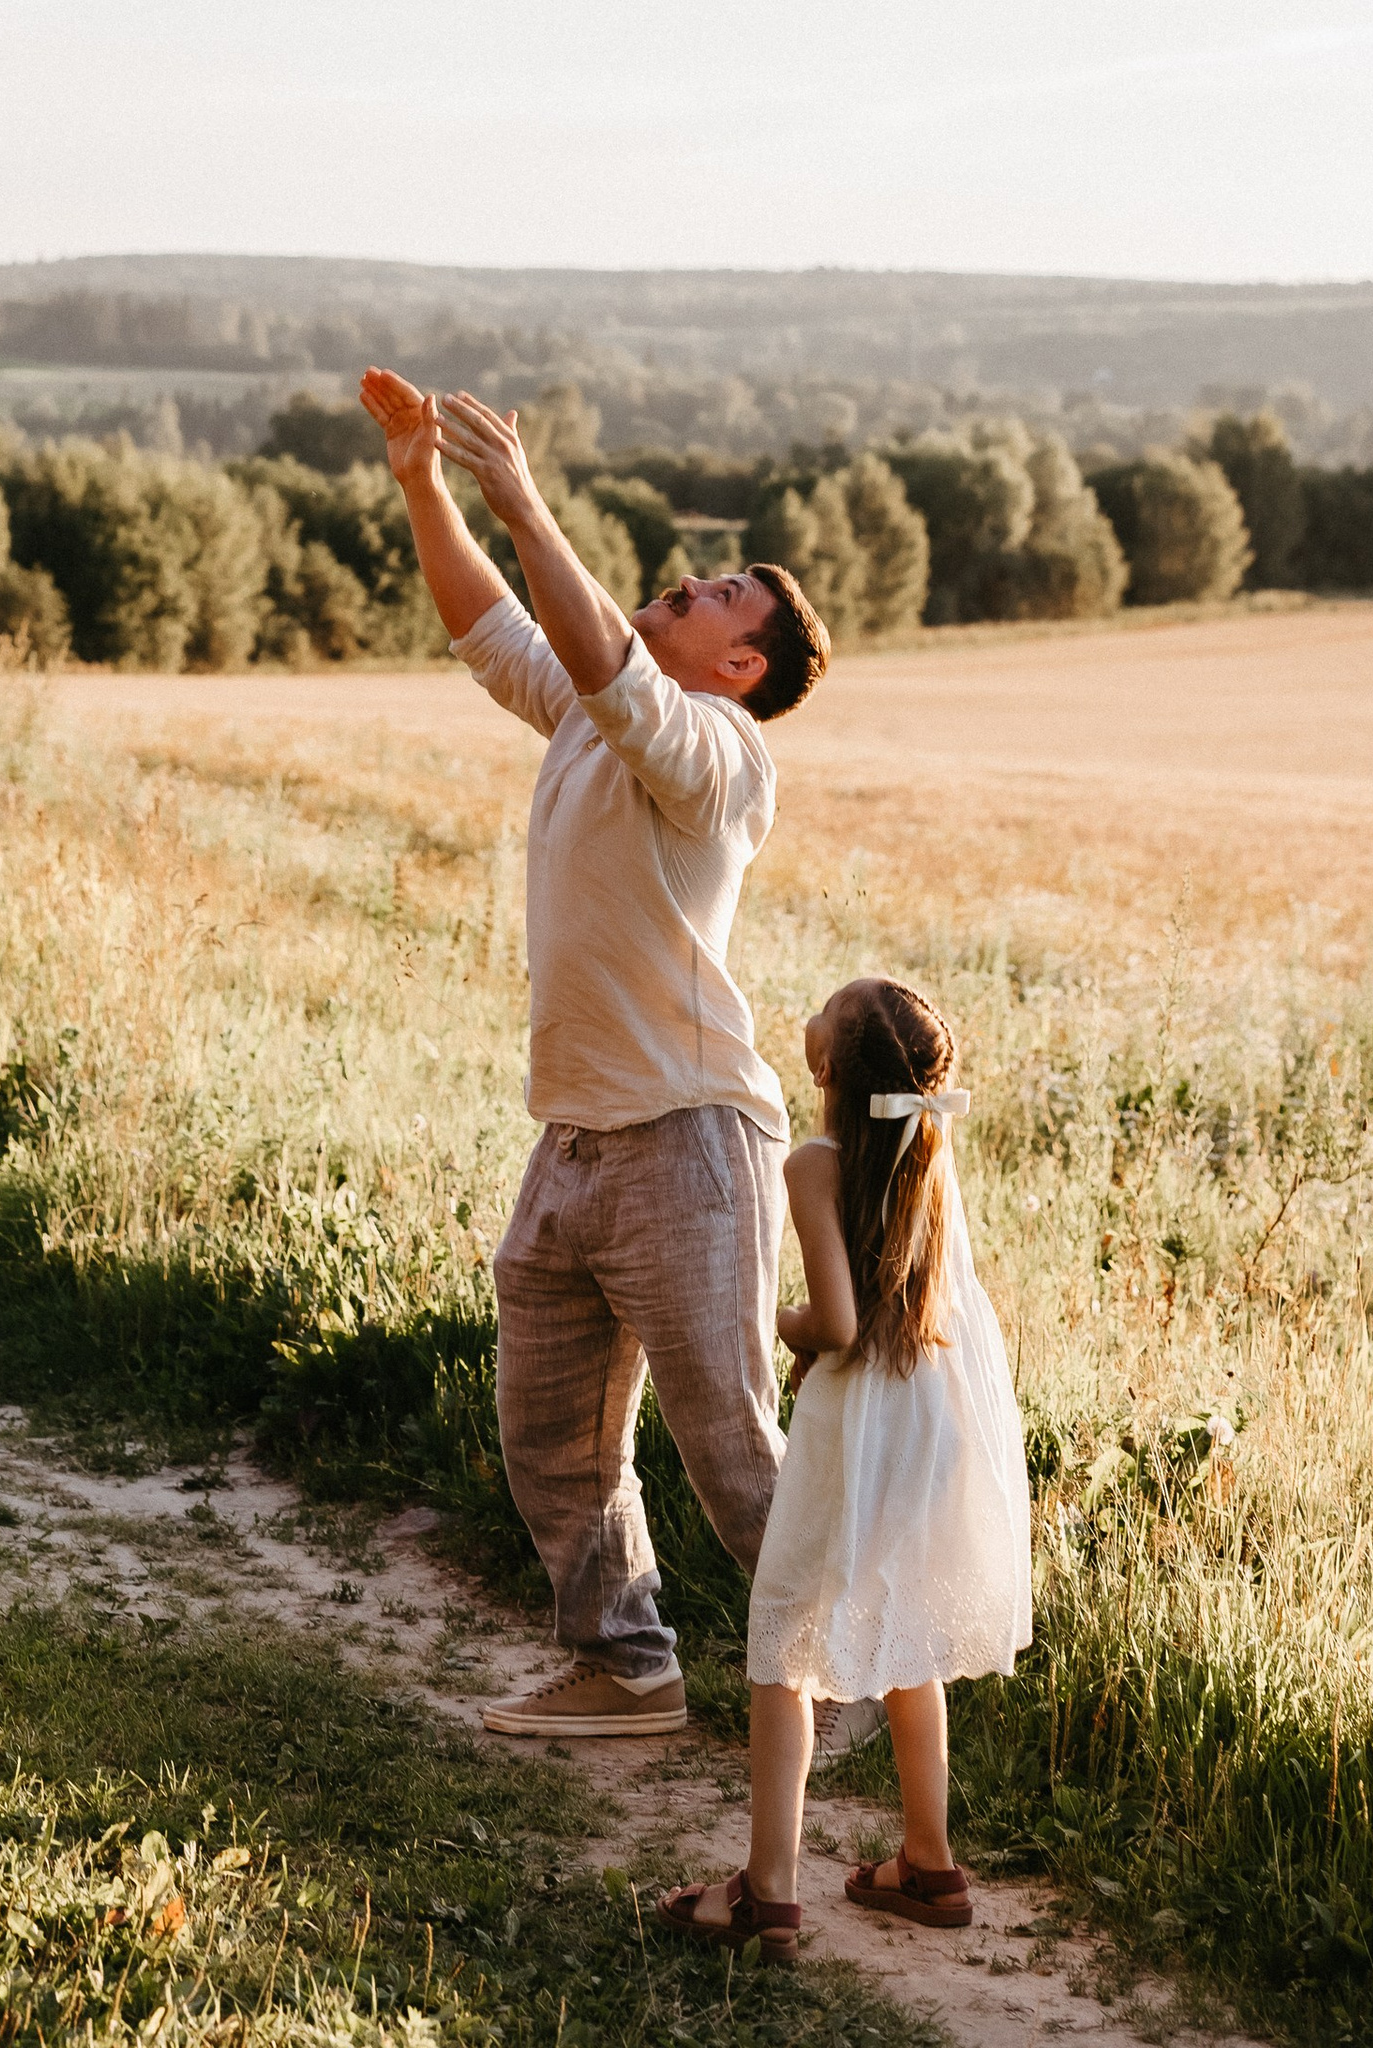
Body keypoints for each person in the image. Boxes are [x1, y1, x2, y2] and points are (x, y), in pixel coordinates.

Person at [359, 365, 829, 1737]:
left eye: (717, 600)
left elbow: (612, 664)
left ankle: (859, 1689)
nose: (685, 588)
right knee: (552, 1442)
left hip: (689, 1142)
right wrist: (424, 483)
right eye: (696, 578)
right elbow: (492, 626)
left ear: (739, 668)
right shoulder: (587, 704)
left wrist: (521, 492)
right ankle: (626, 1668)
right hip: (573, 1136)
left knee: (737, 1454)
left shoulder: (725, 757)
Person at [658, 978, 1033, 1963]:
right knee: (905, 1632)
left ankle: (766, 1896)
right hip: (933, 1415)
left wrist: (759, 1326)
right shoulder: (927, 1146)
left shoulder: (815, 1162)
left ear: (826, 1066)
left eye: (823, 1011)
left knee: (783, 1642)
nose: (808, 1015)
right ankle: (928, 1862)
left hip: (856, 1421)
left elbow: (833, 1323)